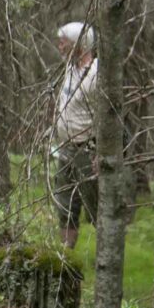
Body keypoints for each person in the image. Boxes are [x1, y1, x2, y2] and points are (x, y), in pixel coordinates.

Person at [49, 21, 98, 252]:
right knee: (65, 203)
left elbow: (107, 117)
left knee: (96, 206)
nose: (60, 47)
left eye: (64, 43)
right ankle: (66, 252)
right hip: (65, 149)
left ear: (80, 45)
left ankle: (106, 258)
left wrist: (99, 153)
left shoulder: (96, 75)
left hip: (88, 151)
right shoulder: (69, 69)